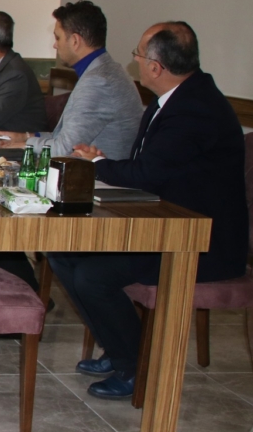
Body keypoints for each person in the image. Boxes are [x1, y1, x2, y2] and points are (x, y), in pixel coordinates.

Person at [49, 22, 247, 400]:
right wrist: (103, 163)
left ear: (156, 67)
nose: (135, 61)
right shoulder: (173, 99)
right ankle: (119, 348)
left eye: (138, 55)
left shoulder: (195, 109)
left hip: (197, 242)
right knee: (64, 253)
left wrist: (97, 165)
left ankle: (138, 365)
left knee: (93, 275)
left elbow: (147, 174)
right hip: (162, 223)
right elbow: (151, 169)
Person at [0, 0, 142, 158]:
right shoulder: (107, 71)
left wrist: (24, 145)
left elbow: (65, 149)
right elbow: (63, 139)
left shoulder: (98, 82)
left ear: (75, 41)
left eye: (58, 38)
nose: (55, 45)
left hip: (97, 173)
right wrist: (24, 137)